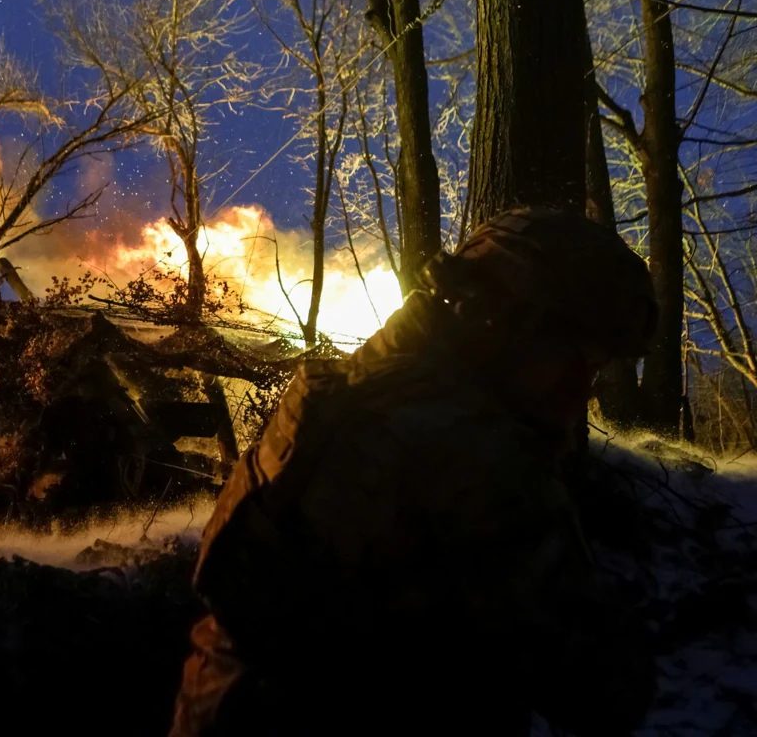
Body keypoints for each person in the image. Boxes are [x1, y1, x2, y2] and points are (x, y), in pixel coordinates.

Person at [169, 208, 659, 737]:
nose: (581, 389)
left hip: (216, 706)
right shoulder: (480, 456)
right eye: (575, 360)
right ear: (501, 326)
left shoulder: (337, 391)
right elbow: (598, 693)